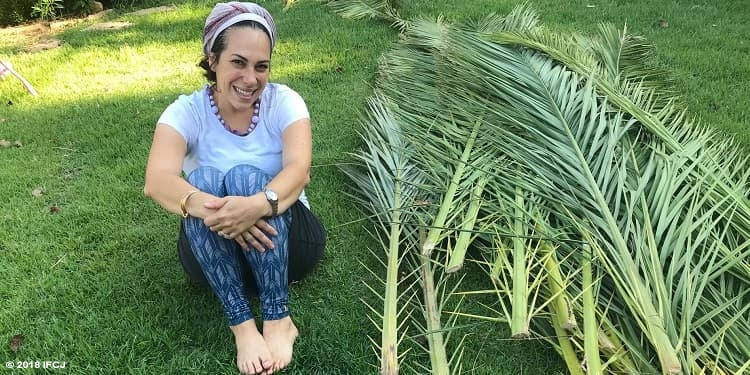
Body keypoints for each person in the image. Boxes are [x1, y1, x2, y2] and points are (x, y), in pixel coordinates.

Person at [143, 2, 325, 374]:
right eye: (238, 63)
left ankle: (278, 319)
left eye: (261, 66)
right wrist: (218, 208)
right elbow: (157, 181)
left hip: (289, 246)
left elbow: (299, 170)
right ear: (213, 60)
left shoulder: (284, 102)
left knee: (244, 176)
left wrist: (256, 205)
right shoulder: (186, 111)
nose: (250, 79)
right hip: (213, 256)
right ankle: (242, 325)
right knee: (202, 182)